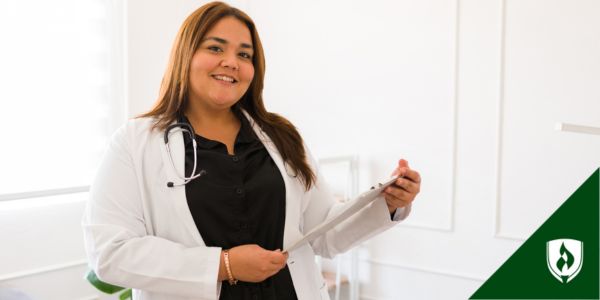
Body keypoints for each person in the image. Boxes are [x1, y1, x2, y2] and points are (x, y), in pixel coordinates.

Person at [82, 2, 421, 300]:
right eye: (216, 48)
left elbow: (323, 232)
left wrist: (388, 204)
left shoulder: (282, 137)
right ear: (185, 55)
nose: (231, 62)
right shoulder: (134, 142)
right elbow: (110, 253)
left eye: (244, 55)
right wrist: (223, 265)